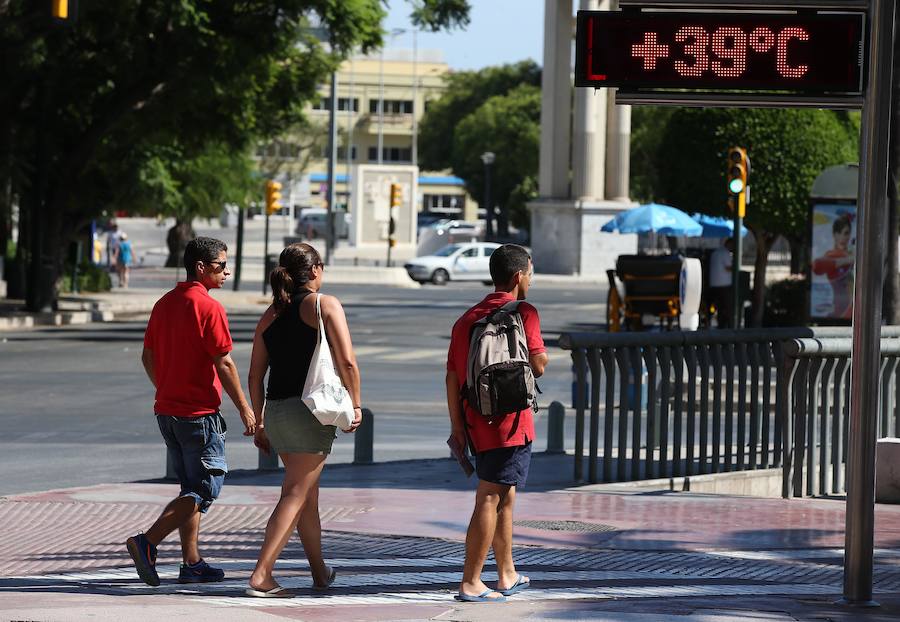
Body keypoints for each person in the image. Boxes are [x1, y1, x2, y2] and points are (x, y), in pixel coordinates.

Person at [127, 237, 257, 587]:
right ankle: (147, 542)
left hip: (167, 413)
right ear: (201, 266)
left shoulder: (164, 304)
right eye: (220, 265)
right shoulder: (209, 307)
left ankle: (192, 562)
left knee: (189, 488)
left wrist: (166, 388)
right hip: (199, 416)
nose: (226, 271)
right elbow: (225, 363)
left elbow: (147, 357)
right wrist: (246, 409)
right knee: (205, 489)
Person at [245, 243, 362, 598]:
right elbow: (347, 362)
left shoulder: (271, 314)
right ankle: (262, 575)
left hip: (278, 412)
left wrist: (261, 419)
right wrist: (356, 405)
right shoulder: (324, 304)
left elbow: (254, 376)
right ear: (314, 271)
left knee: (306, 494)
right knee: (296, 492)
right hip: (309, 412)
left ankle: (319, 571)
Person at [446, 244, 549, 603]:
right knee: (490, 496)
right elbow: (537, 365)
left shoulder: (466, 320)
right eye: (530, 273)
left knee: (505, 493)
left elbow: (453, 378)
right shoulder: (525, 312)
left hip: (477, 420)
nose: (531, 279)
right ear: (519, 276)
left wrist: (458, 428)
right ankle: (471, 581)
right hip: (513, 422)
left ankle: (507, 573)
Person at [812, 214, 854, 320]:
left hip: (853, 310)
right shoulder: (831, 254)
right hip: (839, 310)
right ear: (834, 234)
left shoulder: (851, 253)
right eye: (839, 233)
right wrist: (848, 260)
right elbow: (817, 266)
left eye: (846, 233)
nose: (843, 237)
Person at [708, 239, 734, 328]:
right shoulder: (725, 253)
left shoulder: (716, 253)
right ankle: (730, 326)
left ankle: (721, 325)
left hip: (714, 284)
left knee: (720, 308)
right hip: (724, 284)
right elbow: (728, 268)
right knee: (728, 308)